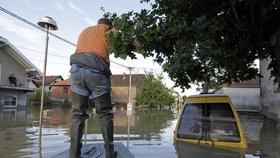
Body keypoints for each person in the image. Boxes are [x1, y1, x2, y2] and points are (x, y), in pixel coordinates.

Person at [69, 18, 116, 158]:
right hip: (96, 71)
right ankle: (110, 154)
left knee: (78, 115)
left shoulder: (85, 31)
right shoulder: (109, 30)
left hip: (76, 71)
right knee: (104, 113)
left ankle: (74, 155)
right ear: (109, 25)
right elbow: (127, 45)